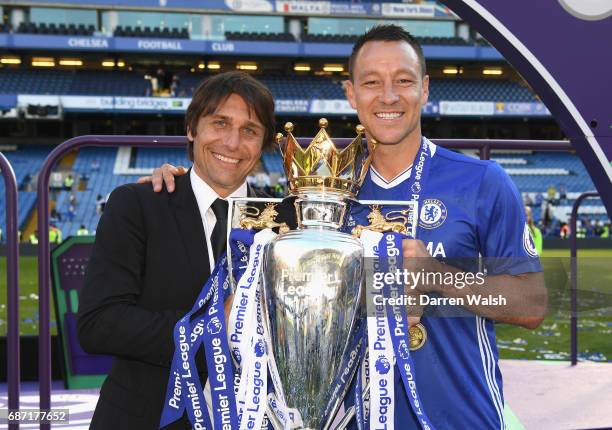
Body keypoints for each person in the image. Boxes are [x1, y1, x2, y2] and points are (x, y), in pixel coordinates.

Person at [143, 25, 547, 429]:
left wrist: (438, 278)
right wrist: (183, 181)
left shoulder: (482, 182)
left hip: (459, 418)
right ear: (351, 93)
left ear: (424, 88)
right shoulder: (319, 199)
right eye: (372, 82)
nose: (388, 96)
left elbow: (532, 305)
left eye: (403, 81)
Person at [77, 71, 278, 429]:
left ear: (263, 145)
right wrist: (217, 325)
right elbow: (99, 325)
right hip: (147, 418)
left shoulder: (286, 225)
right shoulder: (137, 205)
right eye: (219, 123)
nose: (232, 143)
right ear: (191, 129)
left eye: (250, 130)